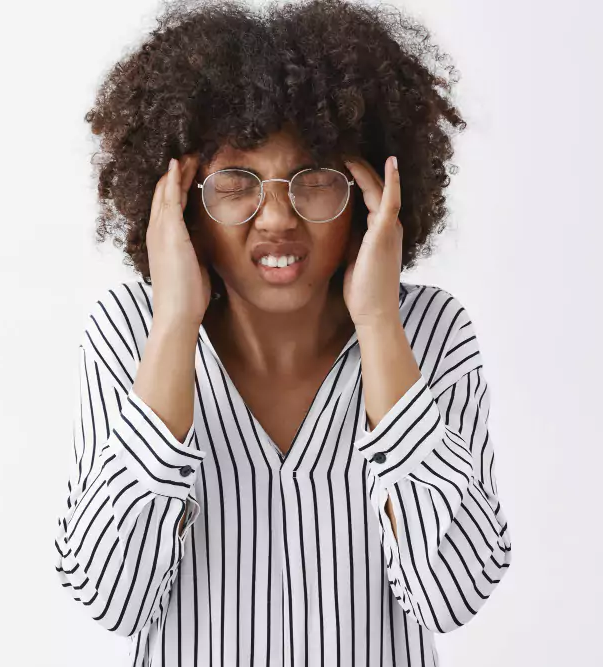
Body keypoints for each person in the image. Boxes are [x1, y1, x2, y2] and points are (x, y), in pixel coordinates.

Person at [52, 1, 513, 665]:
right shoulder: (130, 332)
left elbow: (453, 593)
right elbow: (112, 595)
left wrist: (381, 324)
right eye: (237, 181)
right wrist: (174, 326)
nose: (276, 217)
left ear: (369, 192)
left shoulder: (430, 333)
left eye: (316, 179)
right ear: (182, 199)